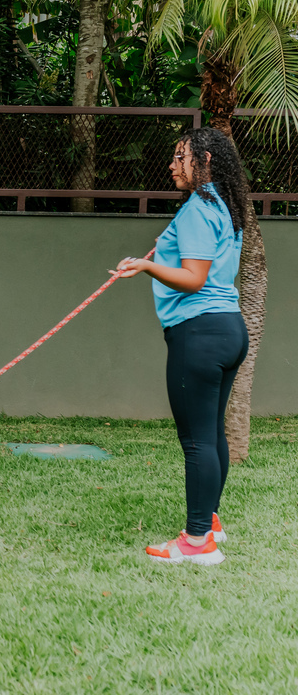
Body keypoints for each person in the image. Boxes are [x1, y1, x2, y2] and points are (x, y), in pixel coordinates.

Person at [113, 127, 250, 565]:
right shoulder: (226, 206)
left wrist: (146, 266)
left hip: (200, 334)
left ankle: (196, 543)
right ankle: (208, 523)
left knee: (196, 441)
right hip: (229, 330)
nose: (172, 166)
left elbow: (193, 279)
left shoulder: (198, 208)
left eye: (180, 157)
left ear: (205, 160)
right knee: (210, 434)